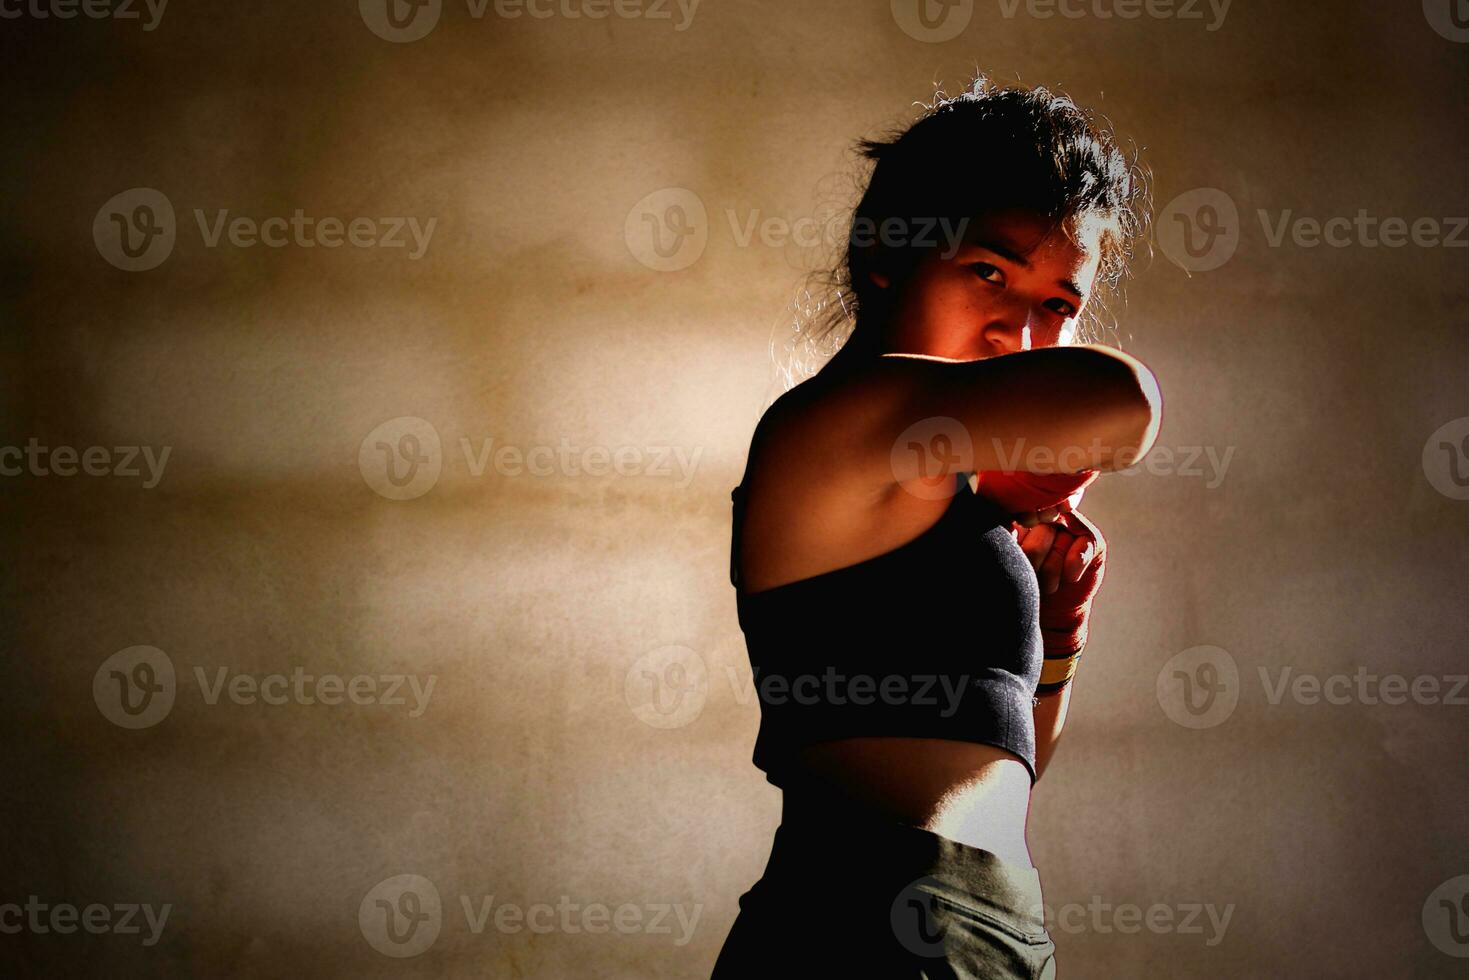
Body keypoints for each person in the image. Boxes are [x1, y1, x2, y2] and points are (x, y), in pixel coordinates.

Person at [710, 73, 1163, 978]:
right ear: (886, 253)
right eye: (988, 272)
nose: (1016, 330)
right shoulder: (833, 421)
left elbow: (1009, 759)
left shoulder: (960, 499)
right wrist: (1018, 452)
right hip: (862, 916)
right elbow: (1121, 404)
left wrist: (1059, 628)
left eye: (1057, 306)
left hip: (985, 924)